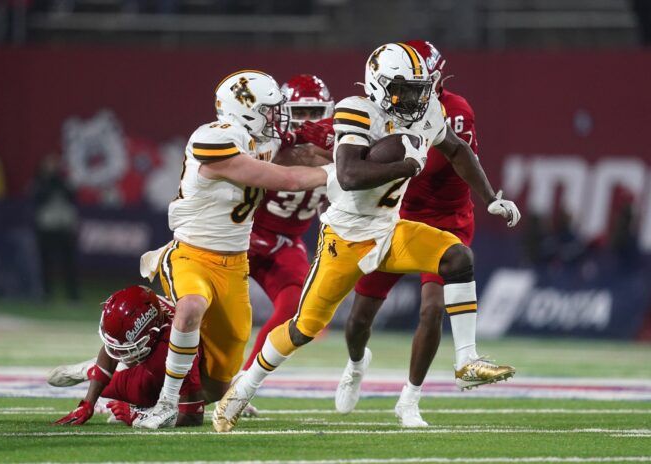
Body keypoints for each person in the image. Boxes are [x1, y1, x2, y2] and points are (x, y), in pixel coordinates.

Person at [213, 42, 520, 432]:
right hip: (346, 235)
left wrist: (491, 197)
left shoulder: (426, 109)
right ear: (378, 86)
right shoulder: (358, 110)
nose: (415, 98)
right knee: (302, 327)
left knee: (458, 258)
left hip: (391, 229)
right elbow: (349, 175)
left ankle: (466, 360)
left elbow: (457, 150)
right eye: (404, 89)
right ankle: (242, 389)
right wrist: (406, 164)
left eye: (419, 88)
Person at [133, 70, 329, 429]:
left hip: (234, 263)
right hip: (192, 251)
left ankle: (120, 379)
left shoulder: (260, 139)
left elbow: (294, 154)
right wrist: (339, 174)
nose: (277, 117)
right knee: (191, 306)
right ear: (248, 111)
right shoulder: (215, 141)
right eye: (270, 110)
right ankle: (160, 402)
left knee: (218, 384)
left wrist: (352, 152)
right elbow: (287, 178)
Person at [334, 40, 515, 423]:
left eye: (425, 80)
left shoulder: (446, 110)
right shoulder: (381, 108)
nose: (423, 87)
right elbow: (355, 164)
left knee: (432, 310)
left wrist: (489, 197)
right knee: (359, 318)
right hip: (394, 218)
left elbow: (458, 152)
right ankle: (355, 365)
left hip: (444, 218)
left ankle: (411, 399)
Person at [240, 74, 334, 416]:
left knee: (295, 307)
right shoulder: (268, 143)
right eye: (299, 113)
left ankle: (243, 383)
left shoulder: (341, 147)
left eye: (314, 113)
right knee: (206, 308)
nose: (307, 122)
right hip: (244, 234)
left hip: (286, 243)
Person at [50, 286, 204, 427]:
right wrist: (88, 403)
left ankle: (92, 369)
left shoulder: (175, 347)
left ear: (152, 334)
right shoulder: (144, 307)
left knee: (131, 391)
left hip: (205, 371)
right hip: (156, 353)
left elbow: (193, 415)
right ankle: (94, 369)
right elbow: (114, 344)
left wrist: (138, 415)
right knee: (108, 383)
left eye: (126, 349)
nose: (118, 355)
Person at [30, 154, 80, 301]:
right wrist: (48, 183)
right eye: (48, 164)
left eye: (53, 164)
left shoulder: (62, 181)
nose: (51, 167)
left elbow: (72, 196)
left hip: (63, 227)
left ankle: (73, 296)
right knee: (45, 264)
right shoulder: (39, 182)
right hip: (46, 228)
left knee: (68, 264)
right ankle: (46, 293)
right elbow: (37, 199)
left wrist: (58, 182)